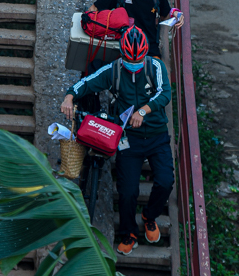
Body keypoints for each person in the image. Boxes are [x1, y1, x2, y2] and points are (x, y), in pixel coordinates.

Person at [61, 26, 174, 254]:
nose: (134, 63)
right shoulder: (114, 71)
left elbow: (165, 93)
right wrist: (69, 96)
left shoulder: (155, 67)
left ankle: (149, 216)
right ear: (122, 55)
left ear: (144, 55)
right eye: (130, 59)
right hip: (127, 139)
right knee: (127, 190)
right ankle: (128, 232)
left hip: (156, 136)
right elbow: (89, 81)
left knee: (165, 181)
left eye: (138, 59)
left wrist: (143, 111)